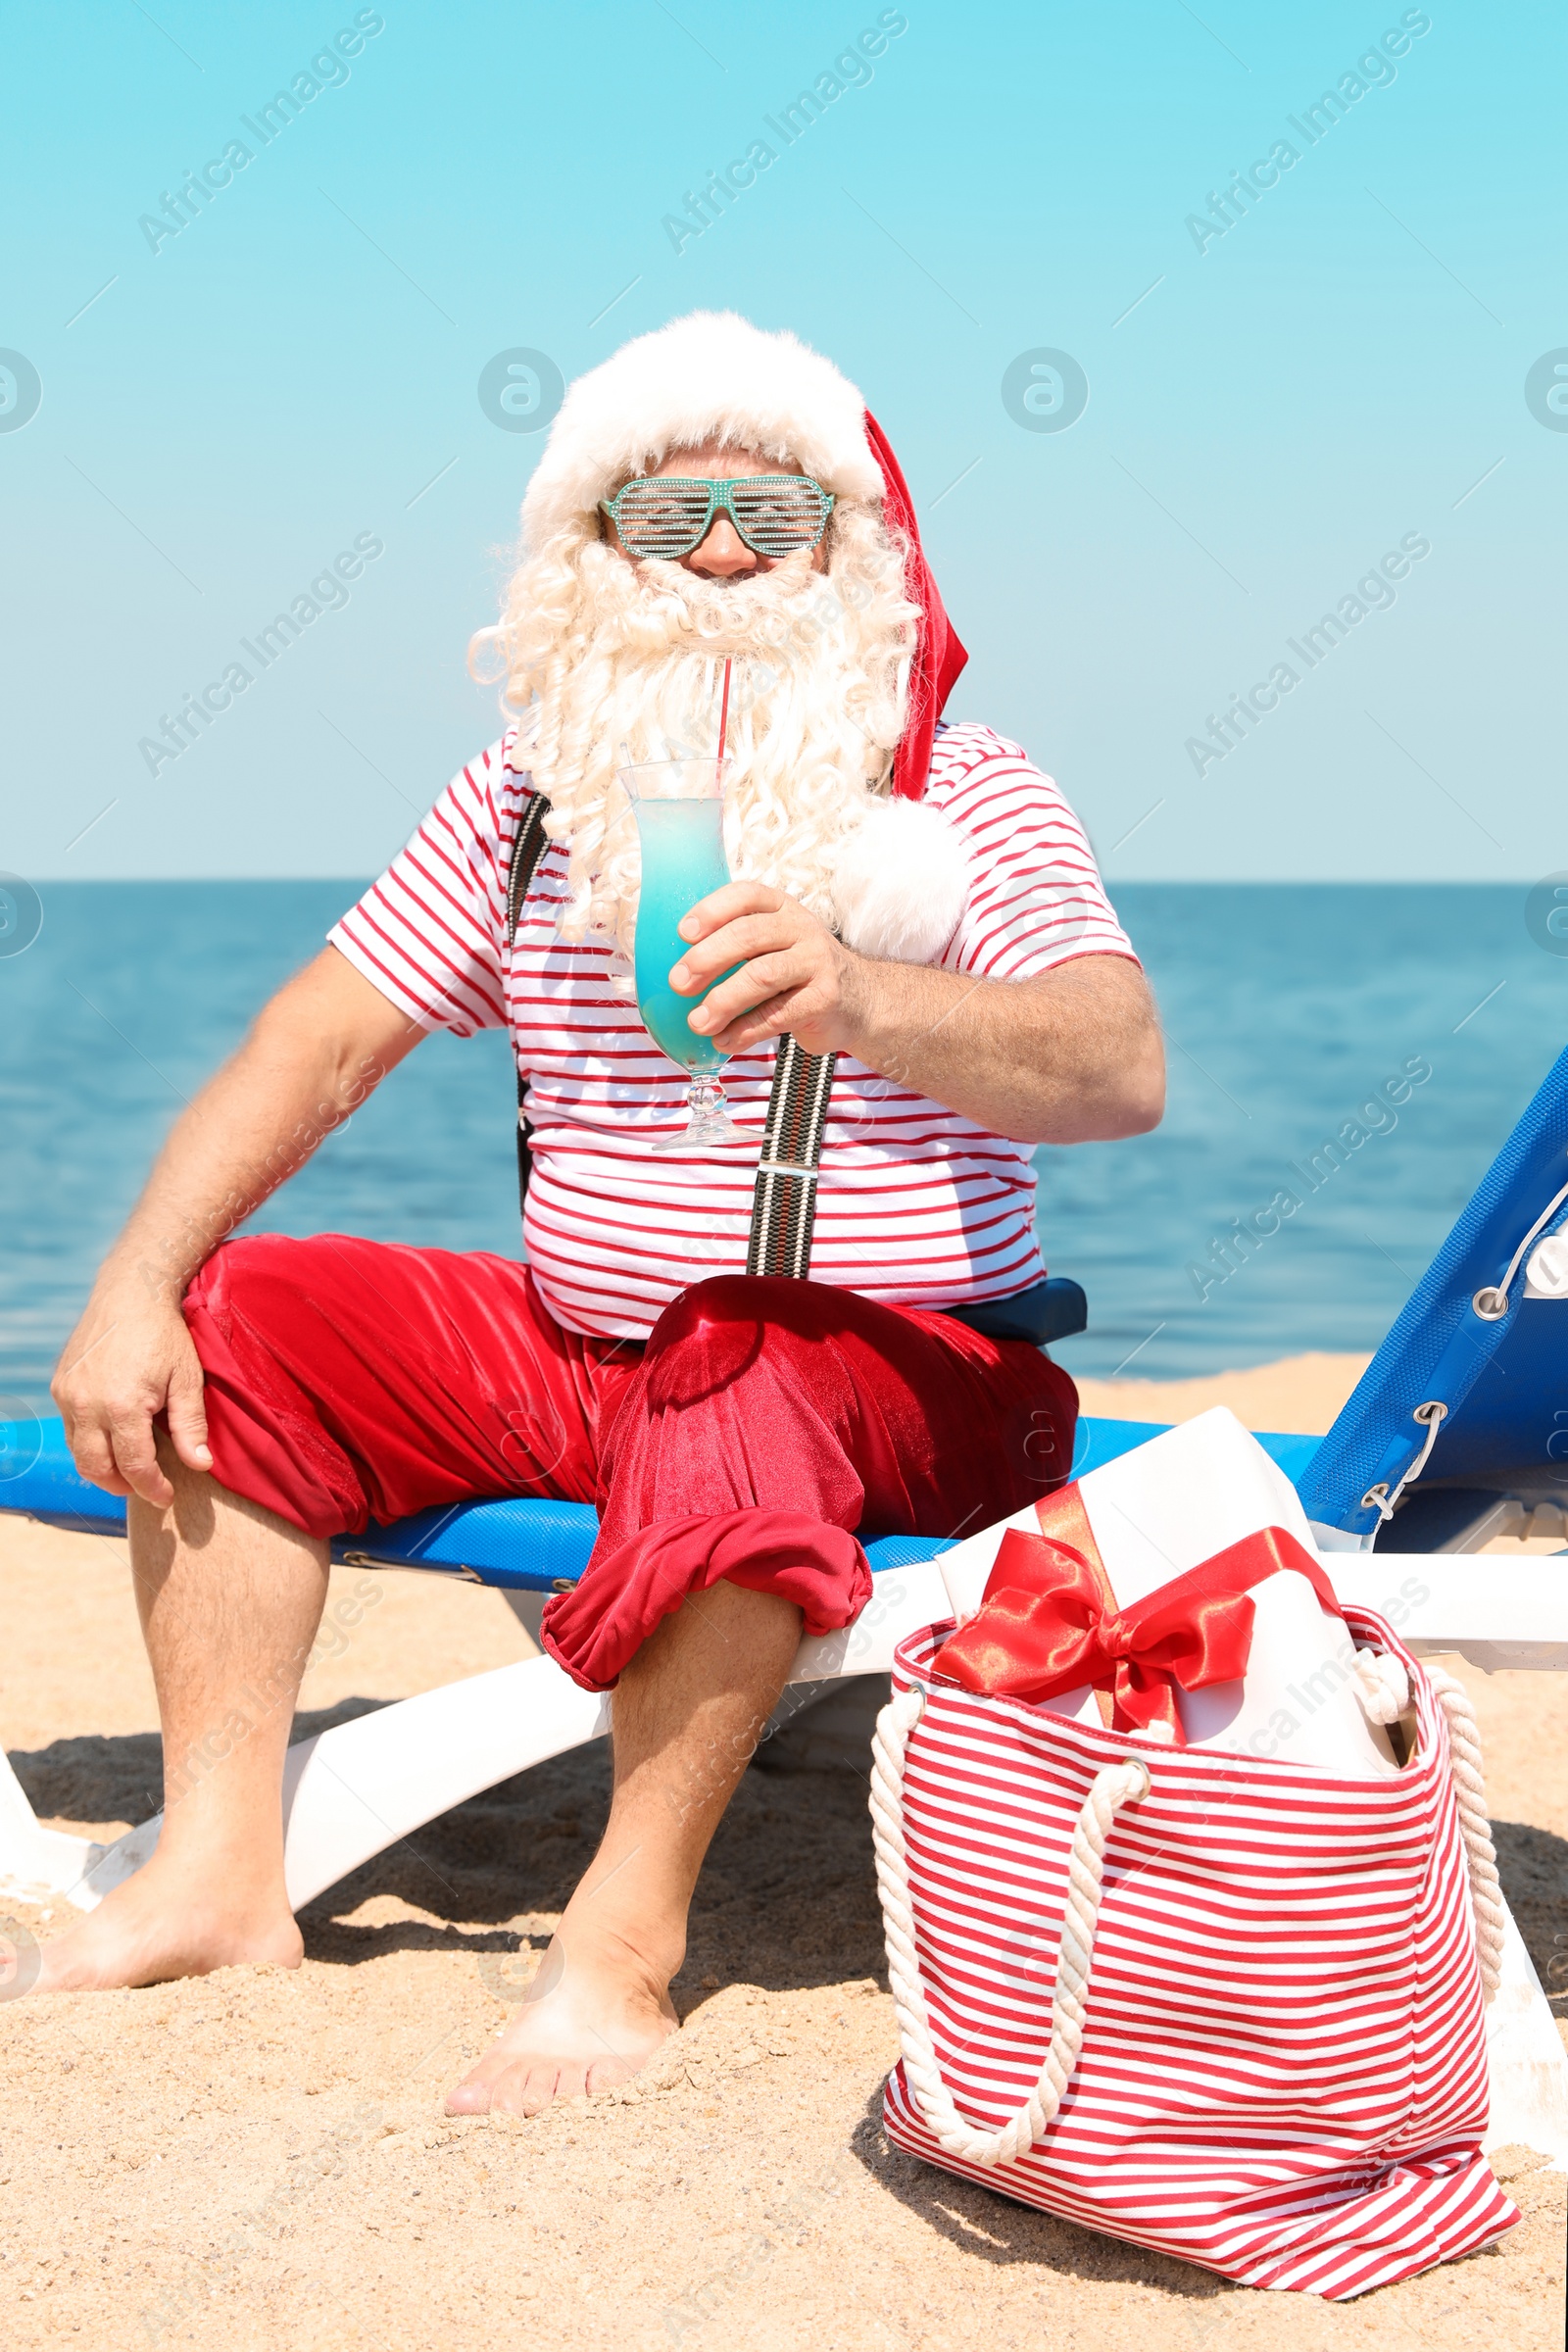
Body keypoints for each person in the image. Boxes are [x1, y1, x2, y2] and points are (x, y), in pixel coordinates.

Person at [42, 313, 1164, 2114]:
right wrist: (135, 1277)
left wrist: (868, 996)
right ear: (587, 557)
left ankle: (621, 1943)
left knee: (736, 1359)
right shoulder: (527, 804)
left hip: (927, 1386)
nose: (721, 555)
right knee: (235, 1316)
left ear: (849, 549)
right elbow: (324, 1041)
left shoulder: (966, 794)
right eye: (669, 516)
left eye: (773, 515)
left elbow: (1117, 1067)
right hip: (598, 1359)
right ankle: (216, 1869)